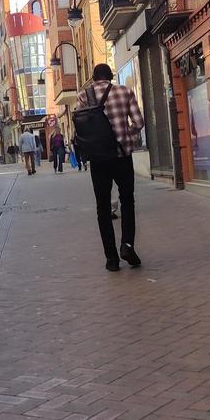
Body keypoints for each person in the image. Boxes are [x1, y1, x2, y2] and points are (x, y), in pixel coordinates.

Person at [76, 63, 145, 272]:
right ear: (111, 76)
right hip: (121, 156)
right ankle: (127, 245)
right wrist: (127, 138)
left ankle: (111, 259)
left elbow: (81, 127)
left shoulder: (84, 96)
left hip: (98, 159)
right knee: (127, 201)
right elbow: (139, 122)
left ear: (94, 78)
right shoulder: (124, 92)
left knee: (103, 208)